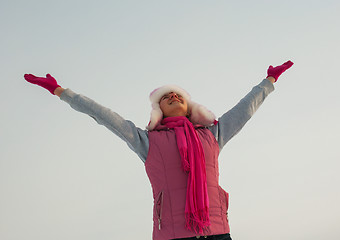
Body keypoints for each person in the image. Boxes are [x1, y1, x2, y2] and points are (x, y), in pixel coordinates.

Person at [24, 60, 294, 240]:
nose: (173, 97)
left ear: (190, 108)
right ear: (158, 109)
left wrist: (268, 81)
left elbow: (245, 109)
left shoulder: (212, 135)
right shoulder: (146, 141)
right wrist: (62, 91)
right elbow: (104, 115)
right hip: (172, 236)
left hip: (217, 232)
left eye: (178, 95)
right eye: (166, 97)